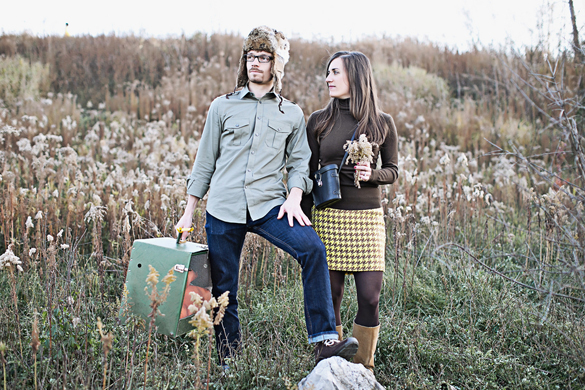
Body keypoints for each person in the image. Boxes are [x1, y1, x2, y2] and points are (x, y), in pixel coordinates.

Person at [175, 26, 358, 366]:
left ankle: (324, 341)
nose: (255, 63)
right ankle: (229, 361)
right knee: (225, 290)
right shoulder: (222, 107)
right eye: (250, 57)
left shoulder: (290, 113)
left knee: (313, 249)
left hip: (269, 206)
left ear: (276, 64)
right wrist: (188, 212)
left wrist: (294, 196)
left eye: (263, 57)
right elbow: (203, 163)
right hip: (223, 209)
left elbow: (300, 163)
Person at [301, 51, 399, 372]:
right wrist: (302, 222)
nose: (328, 78)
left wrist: (372, 174)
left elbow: (393, 171)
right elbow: (306, 172)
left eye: (335, 73)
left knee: (370, 297)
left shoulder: (382, 123)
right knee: (331, 295)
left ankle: (363, 368)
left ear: (355, 77)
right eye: (327, 72)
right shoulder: (319, 120)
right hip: (328, 218)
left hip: (368, 220)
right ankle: (332, 364)